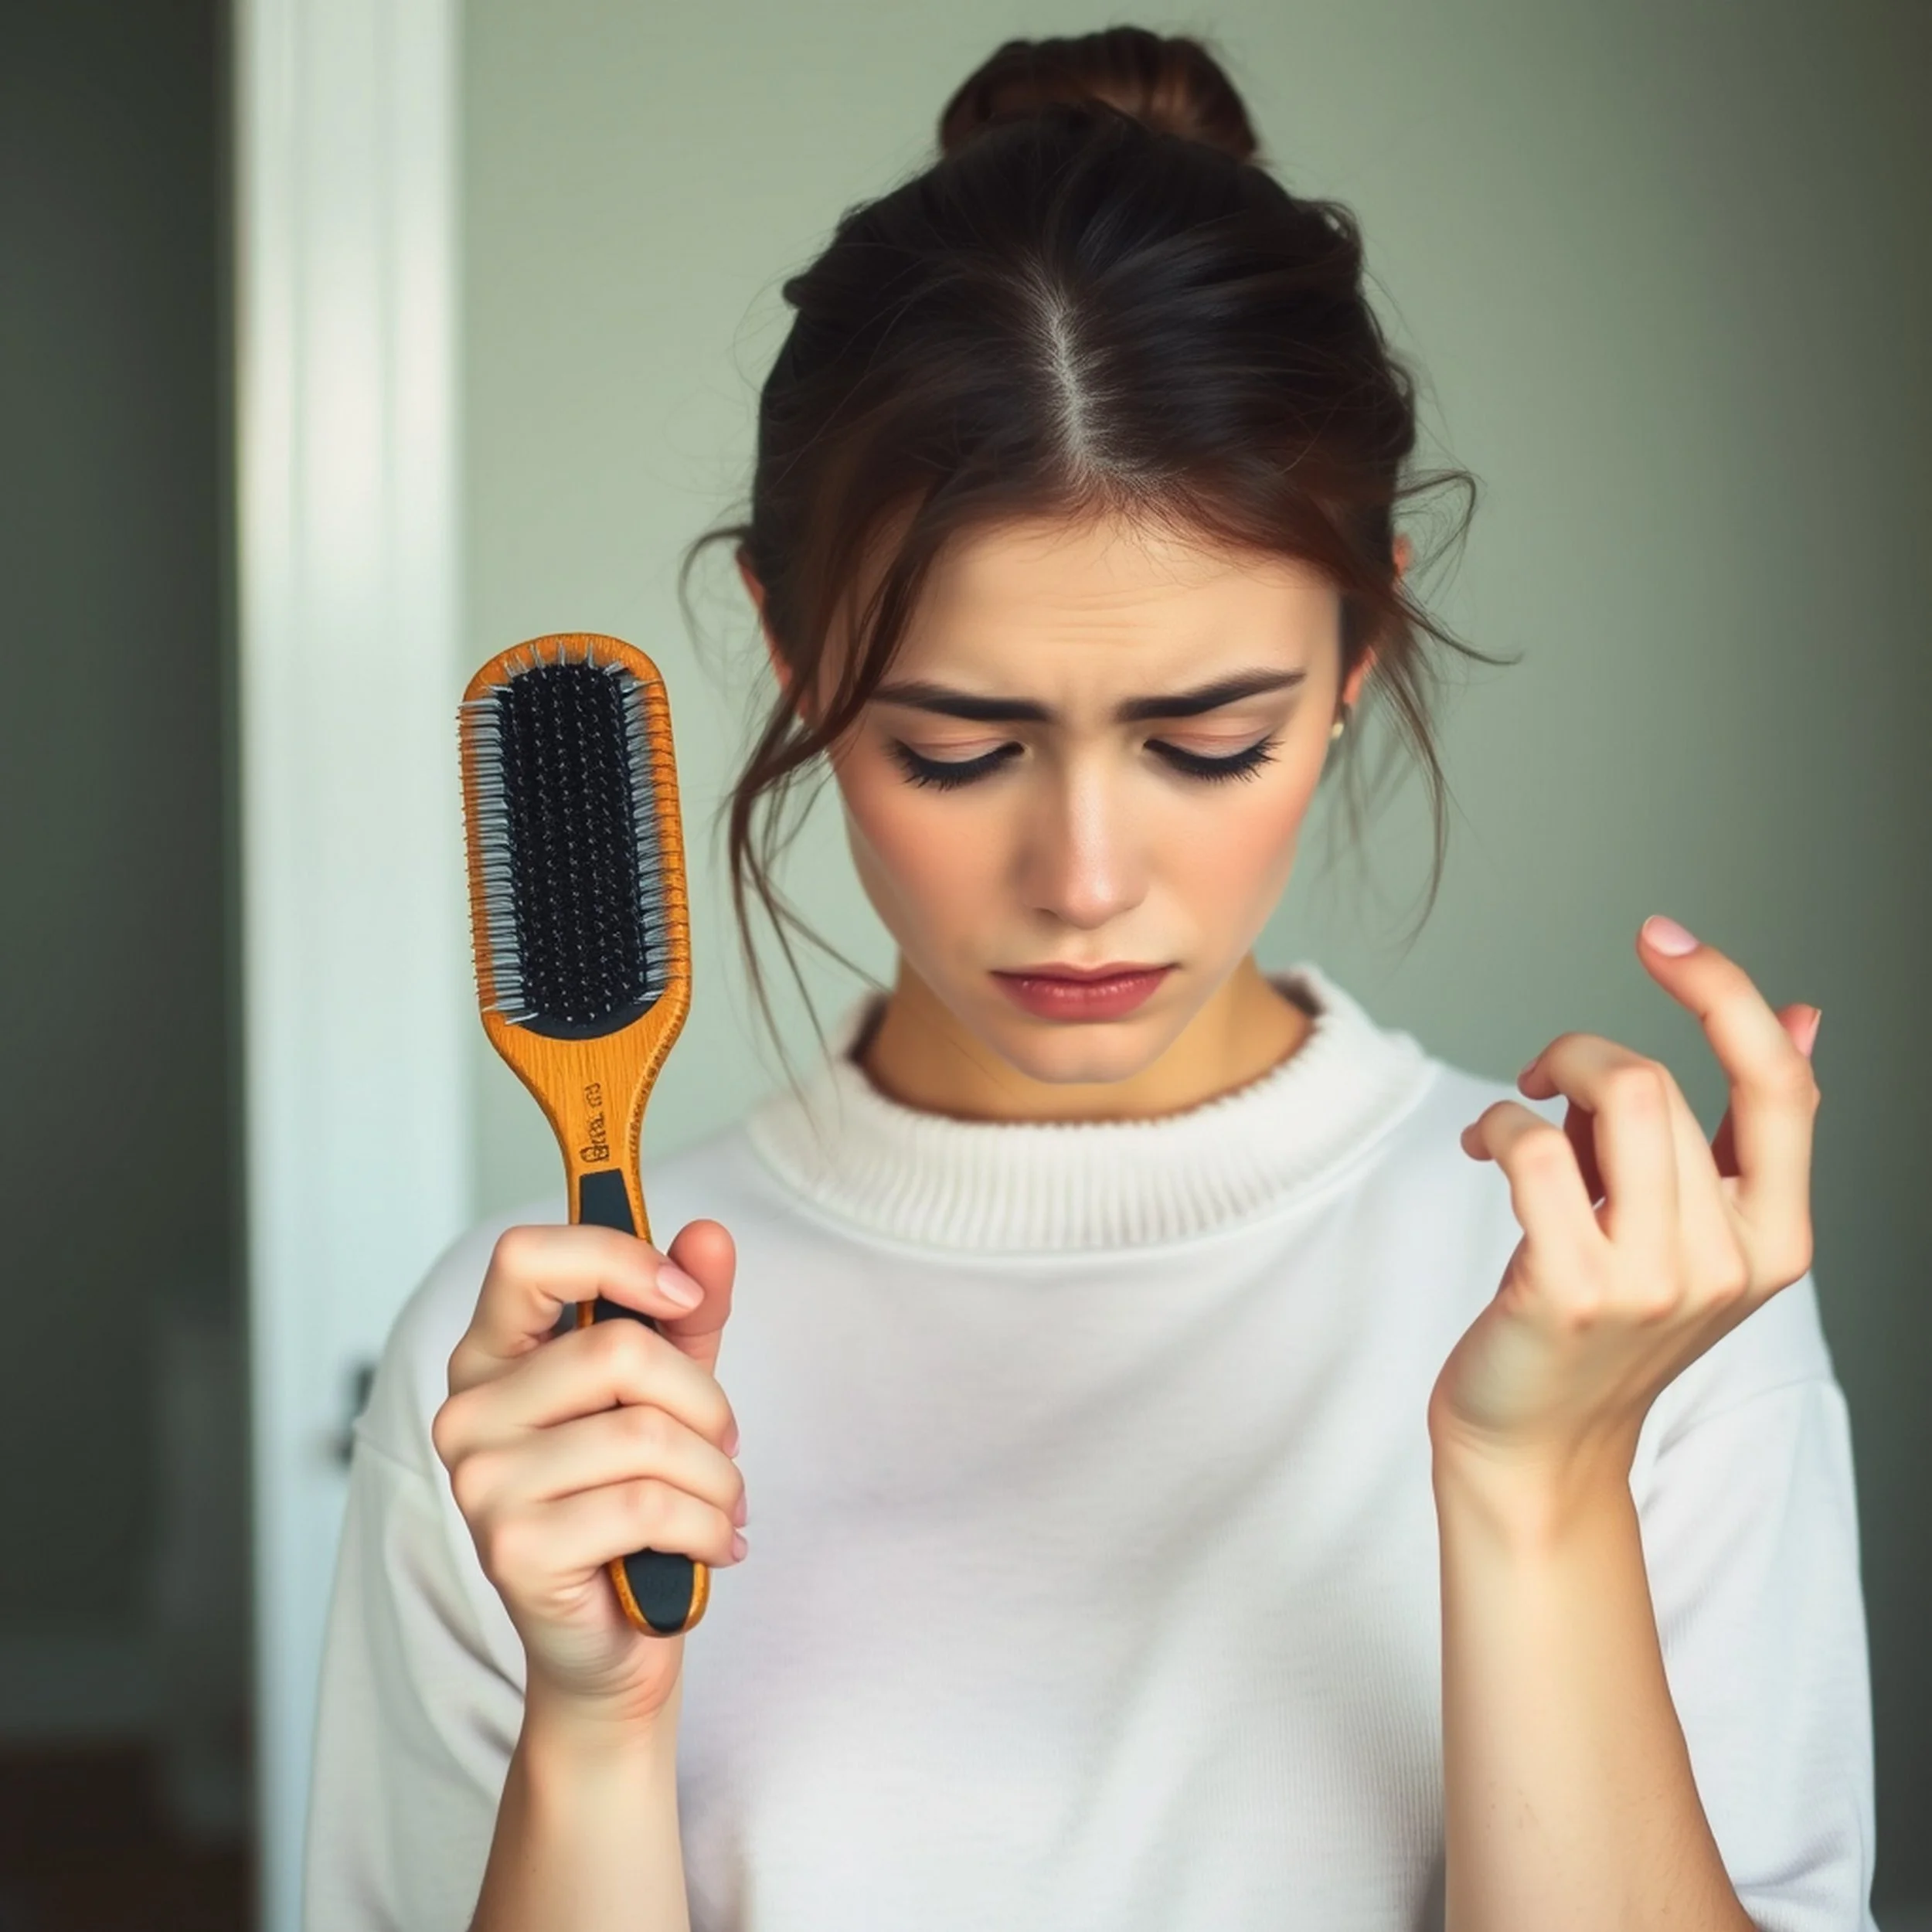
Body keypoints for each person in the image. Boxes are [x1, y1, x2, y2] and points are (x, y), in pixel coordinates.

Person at [301, 27, 1878, 1932]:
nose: (1085, 881)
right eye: (957, 747)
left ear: (1361, 639)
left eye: (1207, 740)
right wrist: (593, 1725)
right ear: (792, 654)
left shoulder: (1628, 1307)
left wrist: (1538, 1489)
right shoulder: (538, 1394)